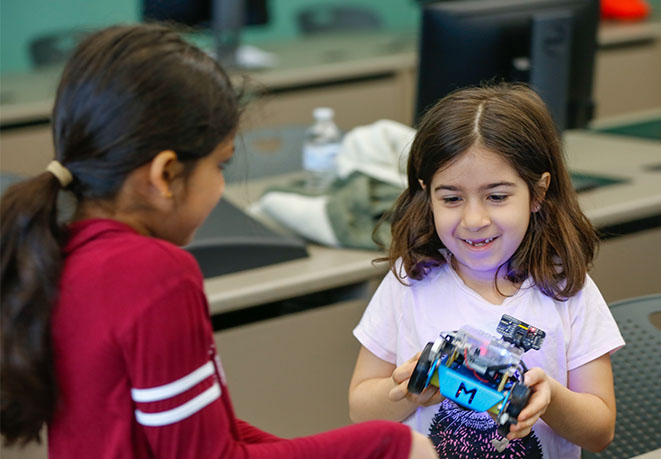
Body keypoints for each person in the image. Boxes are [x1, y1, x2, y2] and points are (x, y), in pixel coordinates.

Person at [0, 24, 436, 459]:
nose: (221, 186)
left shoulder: (64, 250)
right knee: (406, 445)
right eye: (220, 166)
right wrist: (388, 445)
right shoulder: (155, 273)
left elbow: (206, 431)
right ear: (165, 175)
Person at [348, 83, 625, 458]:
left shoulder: (564, 287)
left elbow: (600, 433)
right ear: (426, 193)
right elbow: (360, 409)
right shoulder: (411, 279)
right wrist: (412, 391)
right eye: (451, 198)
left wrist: (551, 400)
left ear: (538, 193)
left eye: (497, 197)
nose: (473, 220)